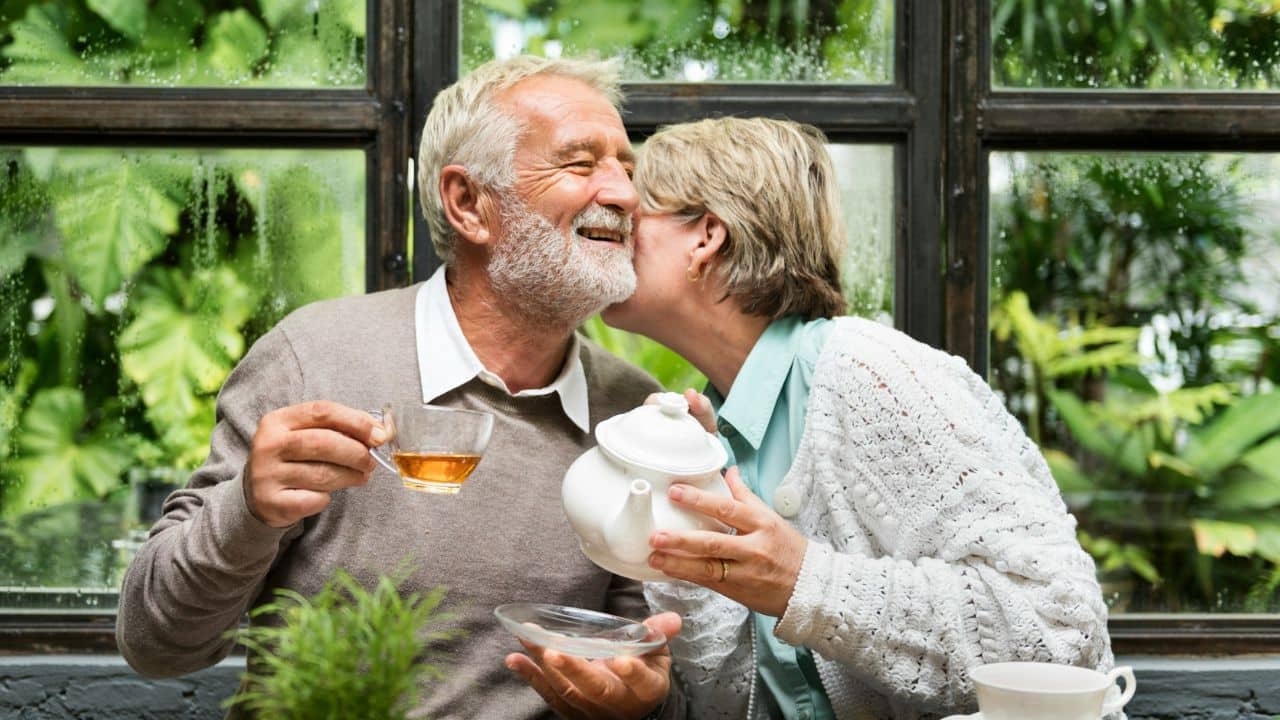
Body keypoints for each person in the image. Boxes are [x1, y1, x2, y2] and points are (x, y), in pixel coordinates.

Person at [116, 55, 684, 720]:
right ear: (468, 203)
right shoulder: (314, 359)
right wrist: (248, 512)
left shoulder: (636, 417)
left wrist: (644, 701)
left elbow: (640, 666)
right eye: (581, 164)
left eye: (627, 165)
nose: (623, 193)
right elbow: (155, 643)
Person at [602, 117, 1114, 719]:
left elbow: (1062, 631)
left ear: (706, 237)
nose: (610, 232)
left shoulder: (870, 372)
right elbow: (736, 698)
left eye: (634, 216)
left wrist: (804, 580)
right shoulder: (711, 427)